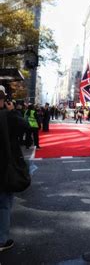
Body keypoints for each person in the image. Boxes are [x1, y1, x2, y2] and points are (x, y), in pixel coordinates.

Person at [0, 86, 29, 252]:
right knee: (4, 205)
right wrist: (13, 112)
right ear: (4, 100)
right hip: (4, 167)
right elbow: (25, 126)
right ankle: (2, 241)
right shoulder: (7, 116)